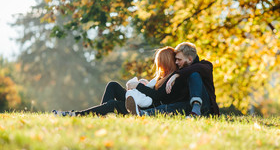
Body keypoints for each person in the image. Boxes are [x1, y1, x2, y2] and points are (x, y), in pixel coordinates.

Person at [53, 46, 188, 116]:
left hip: (143, 108)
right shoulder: (163, 76)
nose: (159, 67)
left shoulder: (173, 78)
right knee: (113, 85)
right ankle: (101, 113)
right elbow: (152, 90)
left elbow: (158, 96)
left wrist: (139, 86)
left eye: (160, 63)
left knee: (113, 104)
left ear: (166, 63)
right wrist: (143, 83)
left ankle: (75, 114)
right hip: (140, 100)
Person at [132, 42, 219, 117]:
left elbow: (196, 68)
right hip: (189, 106)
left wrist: (176, 75)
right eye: (176, 59)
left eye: (179, 59)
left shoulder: (205, 65)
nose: (176, 62)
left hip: (206, 106)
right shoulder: (182, 70)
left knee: (194, 75)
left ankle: (196, 107)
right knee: (174, 106)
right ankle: (143, 113)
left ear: (190, 59)